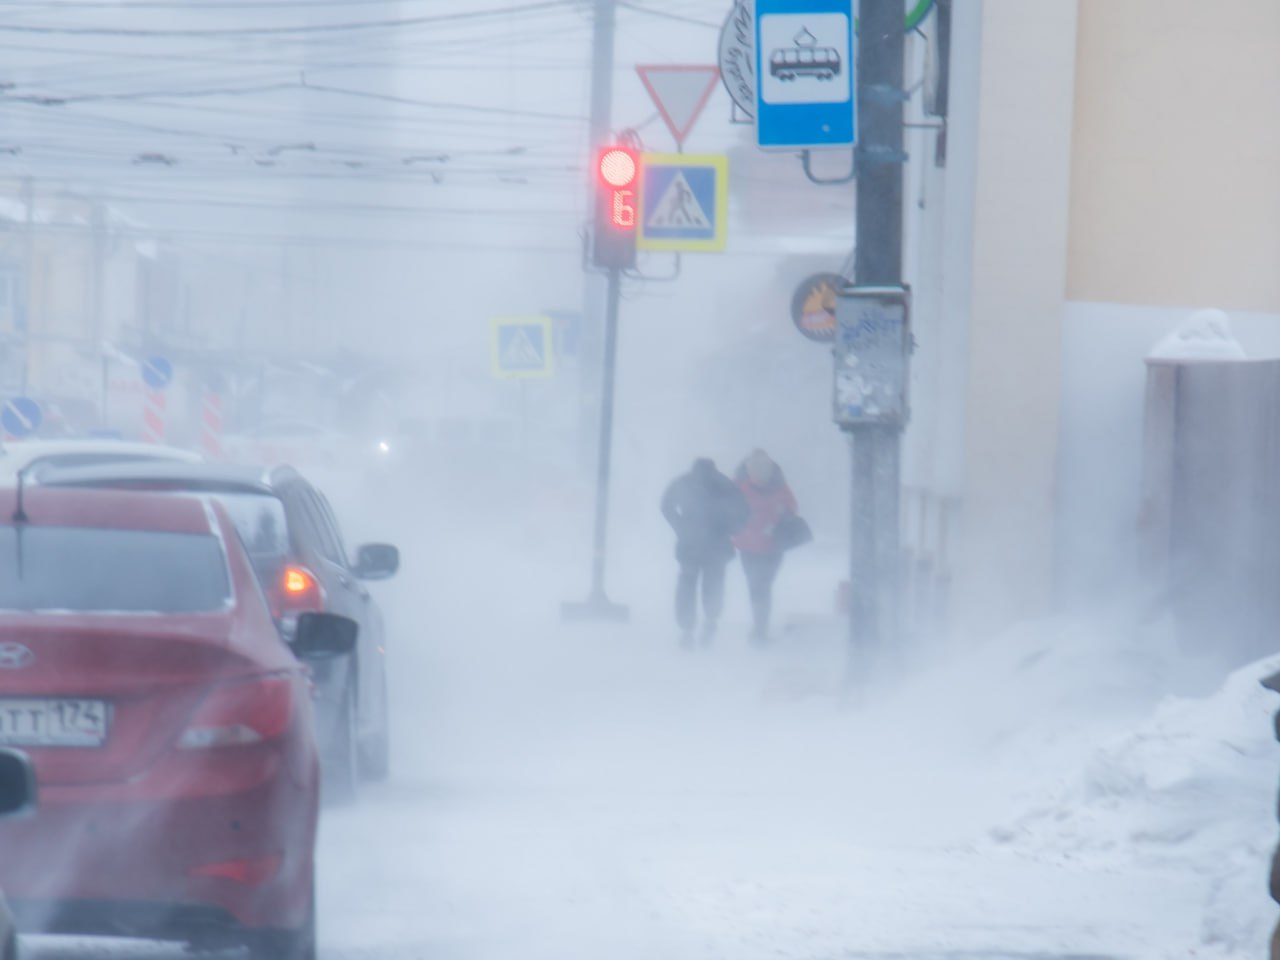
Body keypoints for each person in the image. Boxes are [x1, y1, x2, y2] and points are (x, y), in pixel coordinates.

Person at [660, 458, 748, 647]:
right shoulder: (724, 484)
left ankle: (688, 629)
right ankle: (708, 622)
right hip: (713, 546)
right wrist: (730, 529)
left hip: (693, 545)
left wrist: (680, 525)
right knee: (712, 586)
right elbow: (743, 511)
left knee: (688, 587)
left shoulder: (683, 482)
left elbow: (666, 505)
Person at [733, 449, 798, 643]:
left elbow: (791, 509)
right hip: (764, 545)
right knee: (761, 586)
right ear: (750, 470)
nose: (760, 475)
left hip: (760, 545)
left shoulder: (742, 487)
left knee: (758, 586)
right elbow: (791, 508)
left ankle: (760, 626)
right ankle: (760, 627)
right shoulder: (777, 487)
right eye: (756, 469)